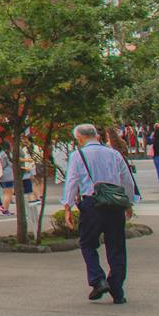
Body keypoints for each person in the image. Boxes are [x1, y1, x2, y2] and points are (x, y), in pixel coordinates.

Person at [62, 123, 135, 304]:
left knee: (87, 243)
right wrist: (129, 202)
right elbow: (126, 179)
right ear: (97, 135)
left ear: (79, 138)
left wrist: (67, 206)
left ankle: (98, 279)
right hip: (114, 204)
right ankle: (117, 289)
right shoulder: (114, 153)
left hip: (91, 203)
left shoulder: (78, 155)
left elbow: (72, 181)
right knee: (116, 247)